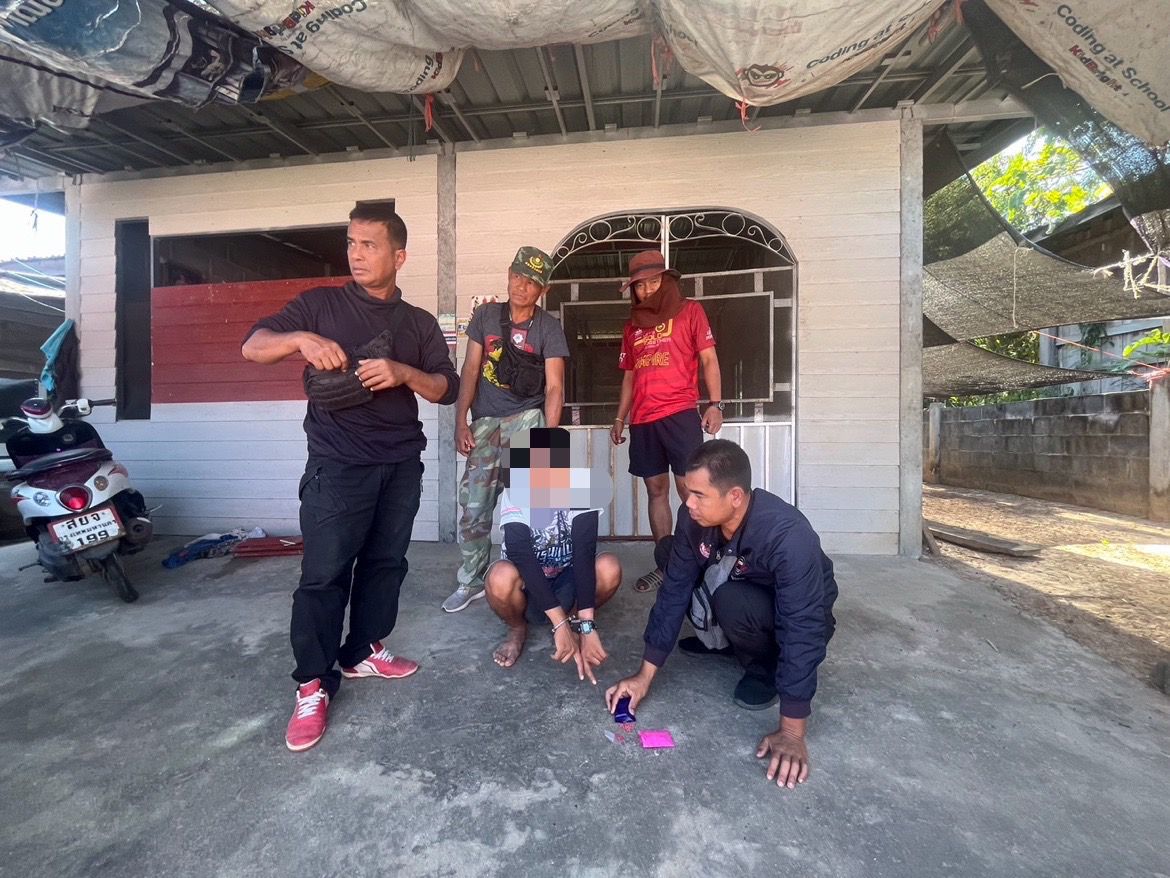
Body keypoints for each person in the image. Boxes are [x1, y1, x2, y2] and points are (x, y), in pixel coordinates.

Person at [242, 202, 459, 752]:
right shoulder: (320, 306)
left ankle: (362, 650)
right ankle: (312, 684)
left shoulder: (418, 324)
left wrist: (403, 372)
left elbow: (446, 388)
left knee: (386, 564)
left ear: (399, 256)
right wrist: (300, 340)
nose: (356, 255)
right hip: (336, 466)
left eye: (369, 245)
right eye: (351, 243)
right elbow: (253, 346)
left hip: (400, 464)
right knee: (324, 575)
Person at [605, 439, 838, 790]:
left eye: (699, 495)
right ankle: (729, 642)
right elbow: (673, 592)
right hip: (743, 589)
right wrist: (644, 676)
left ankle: (763, 668)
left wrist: (792, 732)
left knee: (732, 601)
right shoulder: (693, 519)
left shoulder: (787, 536)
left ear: (735, 497)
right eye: (688, 492)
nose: (688, 503)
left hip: (795, 615)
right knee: (670, 555)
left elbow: (802, 626)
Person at [442, 247, 569, 613]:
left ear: (543, 290)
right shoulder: (485, 316)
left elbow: (555, 387)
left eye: (531, 282)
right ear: (509, 274)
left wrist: (549, 439)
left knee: (535, 510)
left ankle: (529, 578)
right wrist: (460, 421)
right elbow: (470, 369)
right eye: (517, 276)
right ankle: (472, 580)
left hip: (528, 421)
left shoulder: (548, 327)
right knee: (474, 506)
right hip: (484, 425)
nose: (521, 286)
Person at [610, 249, 723, 593]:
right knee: (655, 491)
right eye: (639, 285)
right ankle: (666, 565)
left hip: (680, 415)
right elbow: (629, 376)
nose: (646, 290)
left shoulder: (691, 312)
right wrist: (620, 417)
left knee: (691, 490)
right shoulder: (632, 326)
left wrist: (715, 404)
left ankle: (698, 564)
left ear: (667, 280)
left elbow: (709, 359)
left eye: (653, 282)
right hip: (644, 421)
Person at [484, 427, 621, 682]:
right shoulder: (515, 493)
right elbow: (521, 554)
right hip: (526, 586)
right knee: (499, 577)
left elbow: (584, 553)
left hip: (568, 583)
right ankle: (517, 629)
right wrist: (558, 623)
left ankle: (574, 622)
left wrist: (586, 625)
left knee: (608, 567)